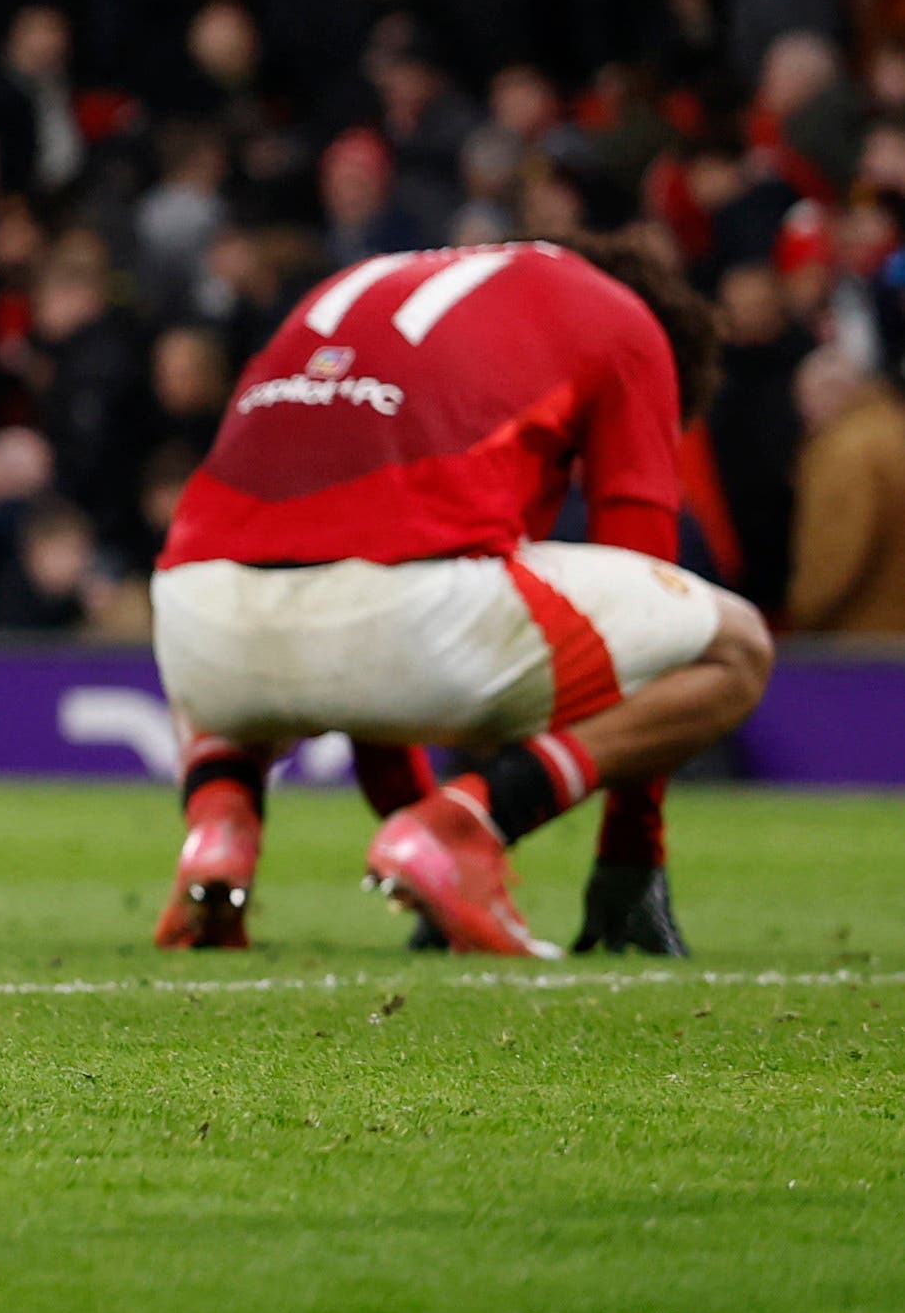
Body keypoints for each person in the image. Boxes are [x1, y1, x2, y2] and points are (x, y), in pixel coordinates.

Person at [149, 240, 775, 961]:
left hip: (192, 626)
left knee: (252, 566)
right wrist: (630, 857)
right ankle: (467, 828)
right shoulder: (627, 323)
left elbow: (354, 646)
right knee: (734, 645)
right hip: (407, 617)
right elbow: (643, 575)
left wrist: (407, 818)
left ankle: (219, 822)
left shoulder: (364, 276)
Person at [789, 346, 905, 633]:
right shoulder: (893, 427)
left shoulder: (846, 451)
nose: (804, 415)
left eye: (806, 400)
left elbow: (834, 556)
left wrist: (803, 611)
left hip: (862, 640)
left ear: (831, 392)